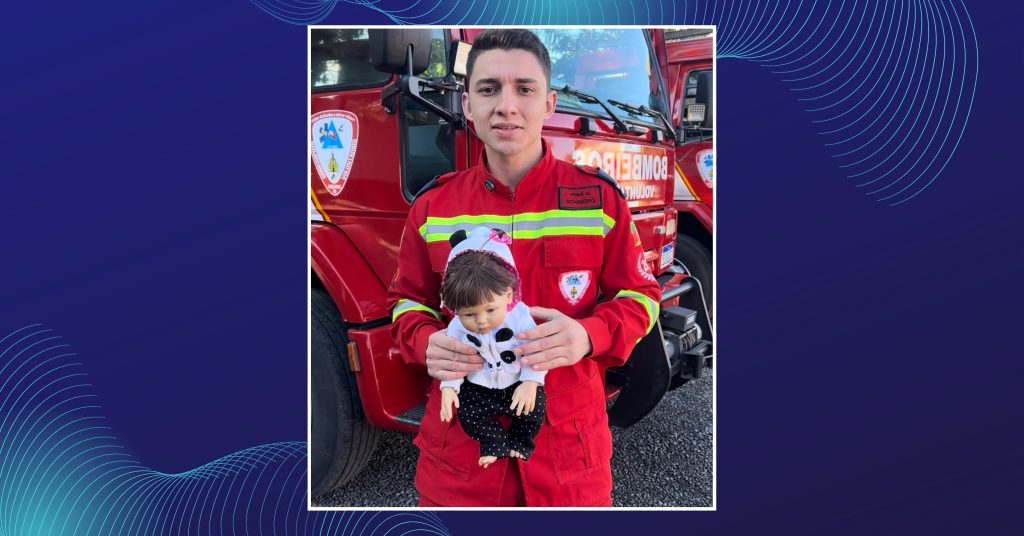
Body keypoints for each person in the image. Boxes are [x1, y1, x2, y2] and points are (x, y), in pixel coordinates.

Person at [387, 28, 661, 507]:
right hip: (462, 461)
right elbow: (405, 301)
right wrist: (424, 340)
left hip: (569, 460)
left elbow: (642, 296)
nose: (506, 106)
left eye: (525, 89)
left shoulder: (599, 200)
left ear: (549, 103)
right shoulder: (432, 207)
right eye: (488, 88)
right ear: (467, 105)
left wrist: (589, 335)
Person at [437, 226, 546, 469]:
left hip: (516, 382)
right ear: (455, 309)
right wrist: (449, 387)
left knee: (534, 409)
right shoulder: (456, 327)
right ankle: (494, 442)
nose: (481, 321)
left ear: (508, 295)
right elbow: (453, 358)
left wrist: (530, 382)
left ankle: (520, 441)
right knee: (469, 416)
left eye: (490, 310)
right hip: (479, 386)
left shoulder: (520, 317)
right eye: (469, 314)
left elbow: (535, 350)